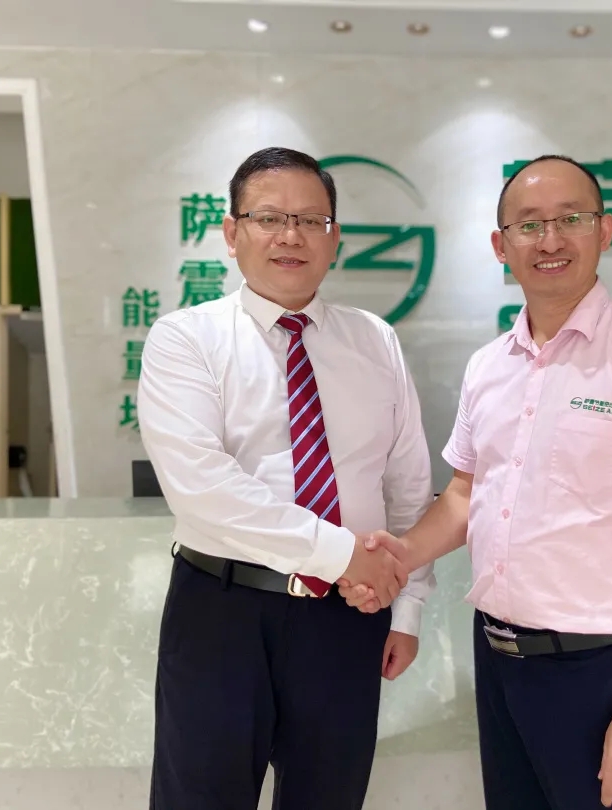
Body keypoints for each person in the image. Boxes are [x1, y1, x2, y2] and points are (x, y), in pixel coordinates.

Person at [339, 155, 612, 810]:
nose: (550, 240)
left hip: (603, 671)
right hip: (499, 662)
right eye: (528, 225)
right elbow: (466, 494)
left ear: (604, 230)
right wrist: (401, 555)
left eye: (570, 219)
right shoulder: (488, 367)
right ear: (502, 246)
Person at [137, 146, 434, 810]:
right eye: (269, 217)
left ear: (336, 238)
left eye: (310, 220)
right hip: (223, 609)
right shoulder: (185, 338)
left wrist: (408, 606)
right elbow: (202, 486)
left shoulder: (375, 340)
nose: (291, 236)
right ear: (231, 231)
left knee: (330, 796)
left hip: (349, 616)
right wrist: (342, 554)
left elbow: (408, 482)